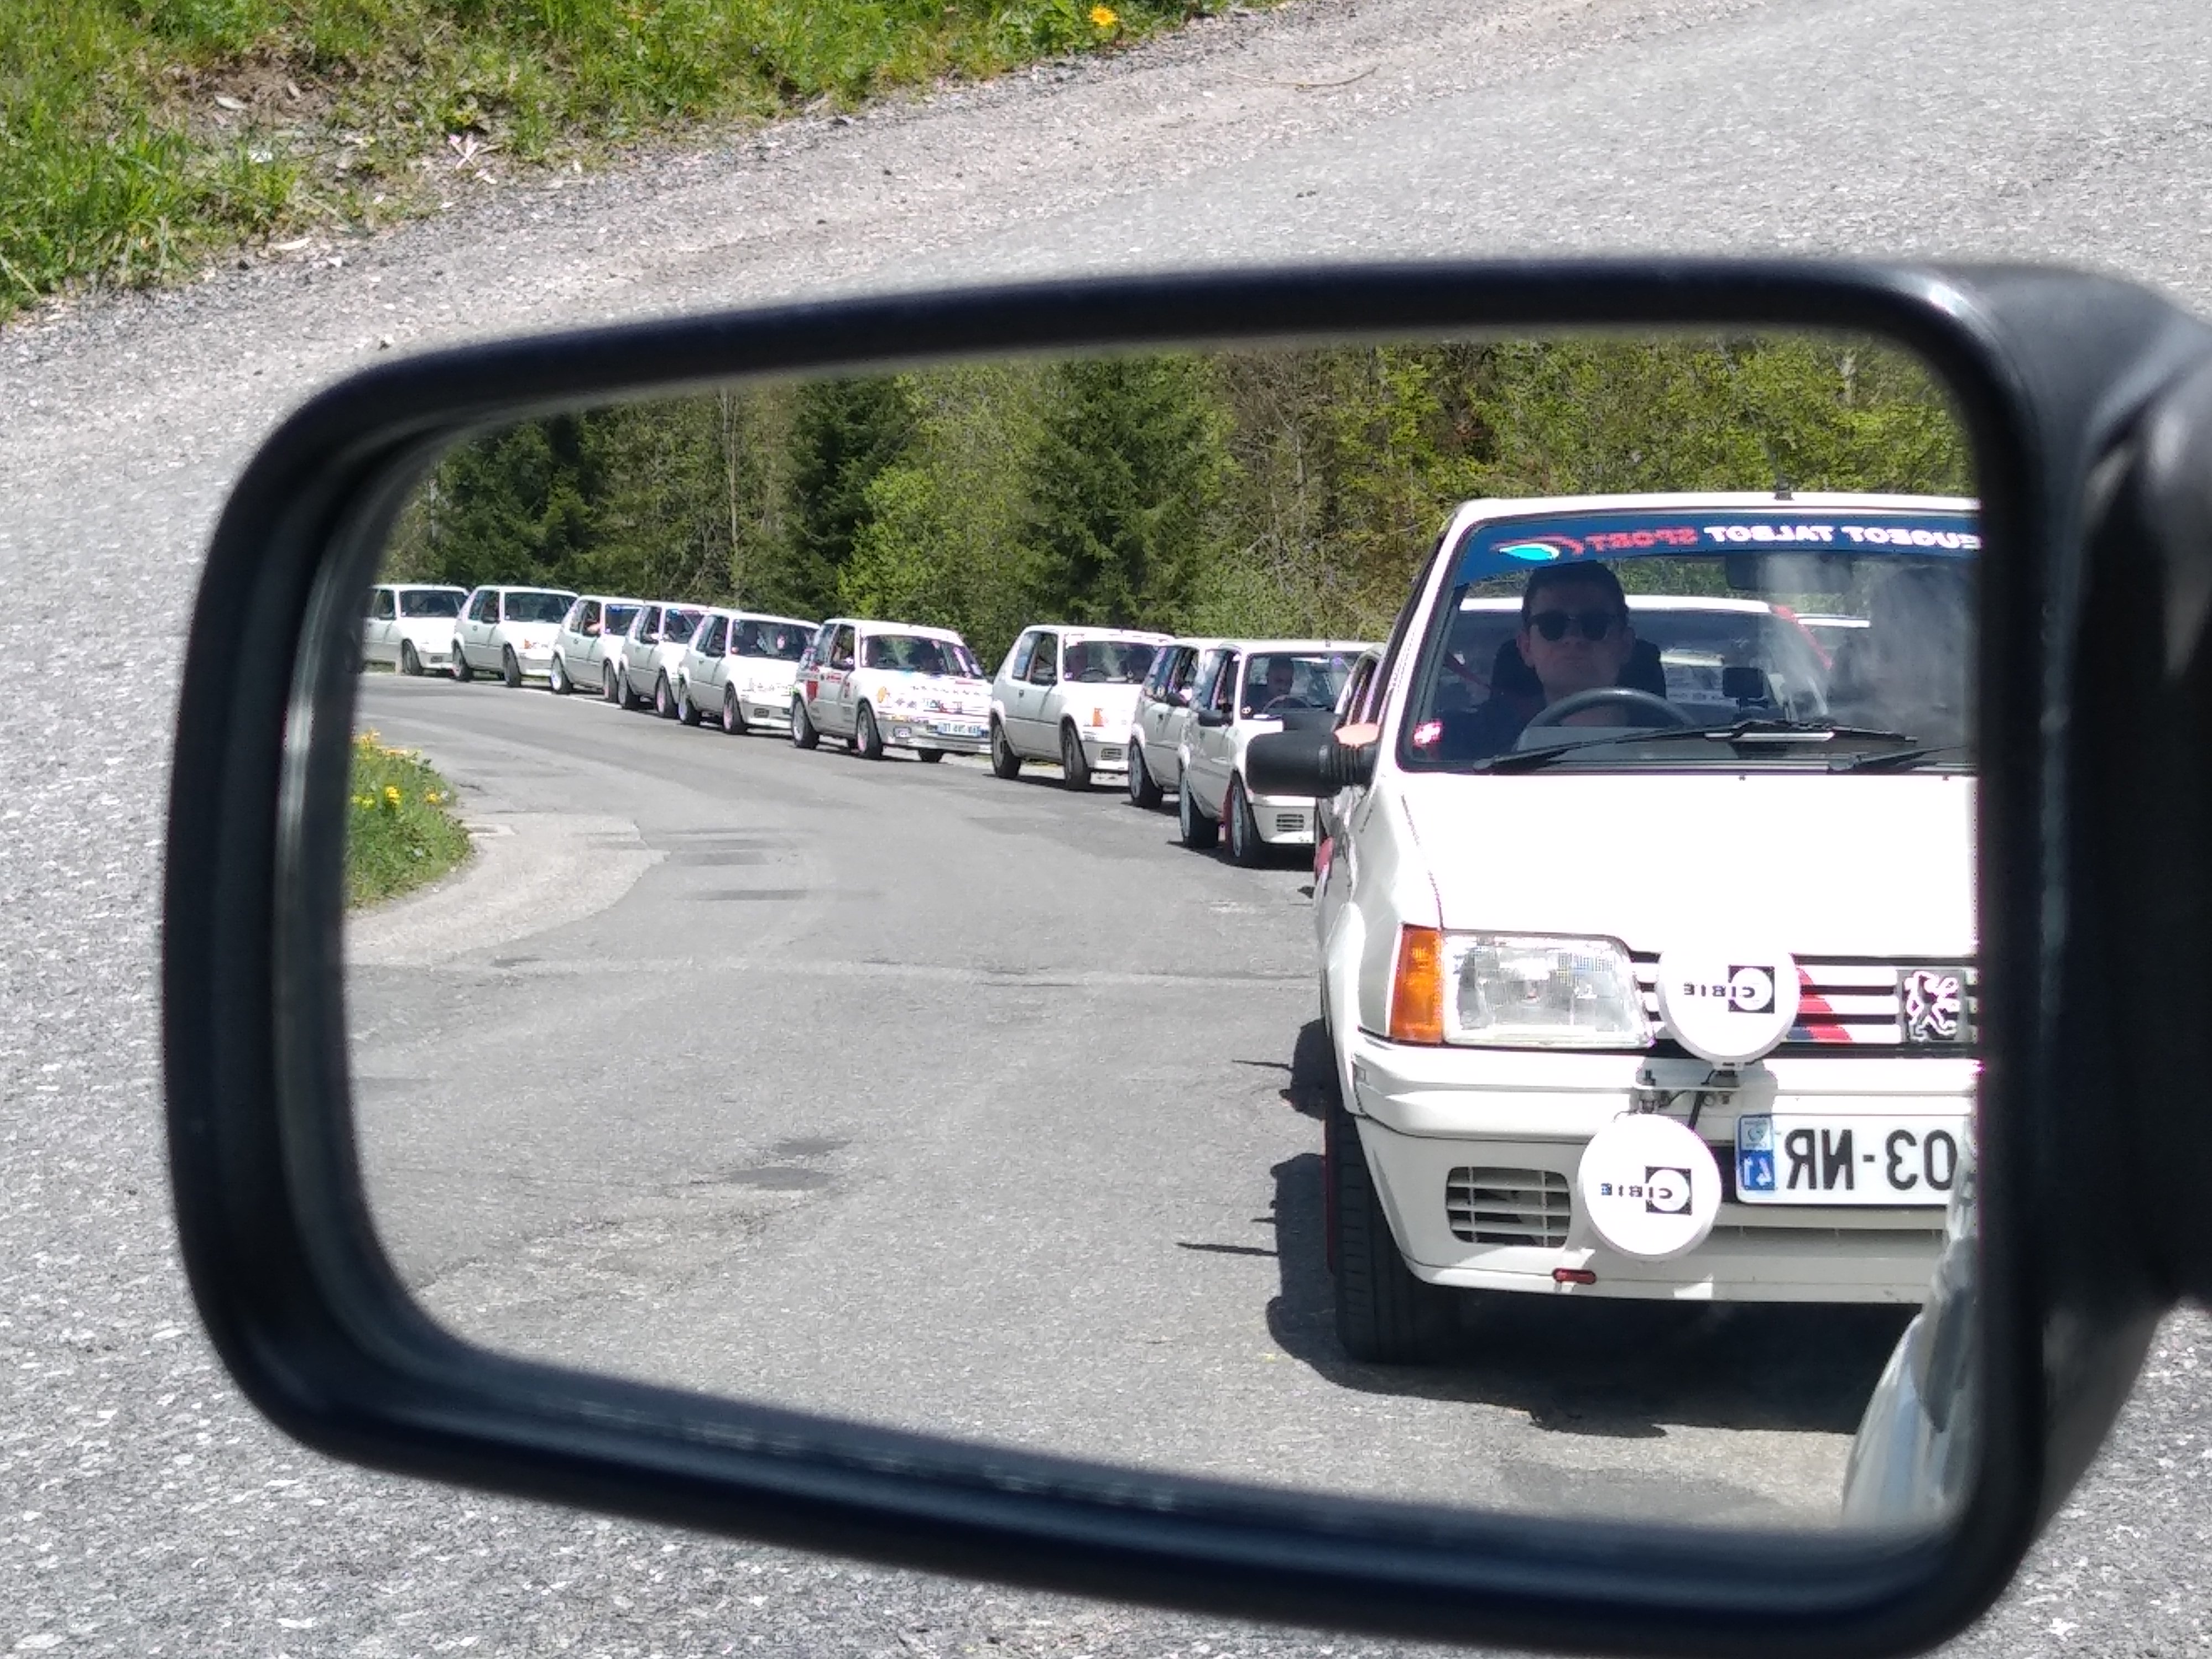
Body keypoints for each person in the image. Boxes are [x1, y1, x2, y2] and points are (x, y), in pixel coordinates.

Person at [1434, 563, 1648, 760]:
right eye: (1552, 625)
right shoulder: (1470, 745)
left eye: (1594, 624)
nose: (1573, 638)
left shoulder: (1667, 732)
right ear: (1526, 648)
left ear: (1625, 645)